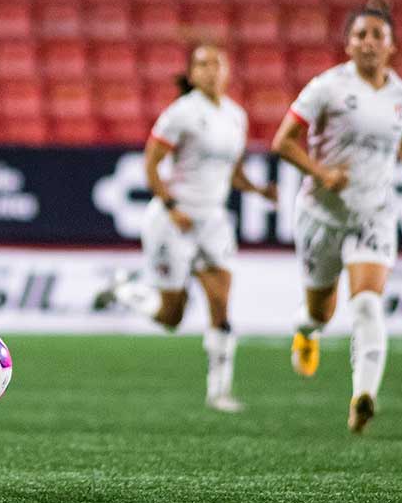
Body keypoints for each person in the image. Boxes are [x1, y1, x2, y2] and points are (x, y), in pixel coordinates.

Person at [271, 0, 402, 433]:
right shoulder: (327, 88)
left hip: (374, 214)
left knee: (366, 304)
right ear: (347, 45)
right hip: (321, 214)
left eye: (377, 35)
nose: (368, 42)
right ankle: (305, 331)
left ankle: (363, 395)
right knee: (320, 311)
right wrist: (321, 171)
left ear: (392, 45)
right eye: (360, 35)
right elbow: (282, 141)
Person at [95, 44, 277, 413]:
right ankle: (125, 290)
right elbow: (151, 163)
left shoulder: (235, 116)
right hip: (173, 222)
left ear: (227, 71)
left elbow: (231, 170)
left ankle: (219, 391)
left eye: (217, 63)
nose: (210, 70)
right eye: (202, 64)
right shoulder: (180, 114)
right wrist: (171, 204)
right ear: (192, 74)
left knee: (220, 304)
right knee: (171, 316)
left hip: (213, 221)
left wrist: (257, 189)